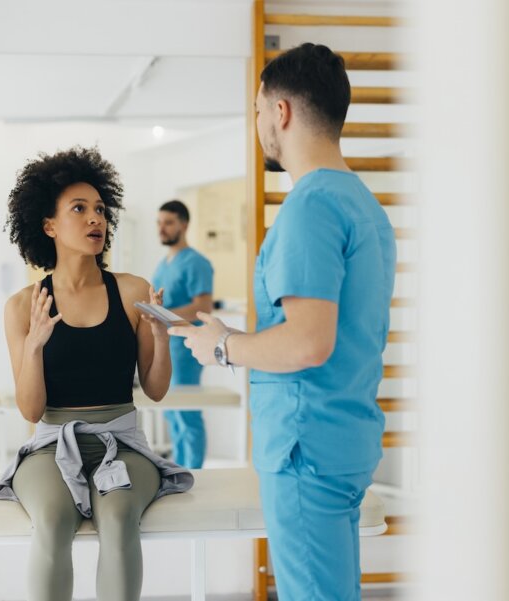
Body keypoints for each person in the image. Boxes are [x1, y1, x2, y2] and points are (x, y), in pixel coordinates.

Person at [169, 43, 396, 601]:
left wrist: (222, 345)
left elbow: (306, 343)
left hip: (305, 448)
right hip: (343, 441)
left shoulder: (311, 206)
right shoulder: (361, 203)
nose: (256, 123)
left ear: (282, 111)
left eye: (256, 109)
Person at [0, 146, 193, 601]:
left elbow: (156, 390)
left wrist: (161, 337)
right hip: (50, 444)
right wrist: (35, 346)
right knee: (52, 519)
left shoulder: (132, 291)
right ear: (48, 226)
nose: (94, 219)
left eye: (100, 209)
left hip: (121, 442)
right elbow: (30, 408)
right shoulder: (23, 306)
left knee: (119, 517)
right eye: (78, 209)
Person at [151, 200, 214, 468]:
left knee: (187, 414)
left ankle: (196, 473)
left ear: (184, 225)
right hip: (166, 347)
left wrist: (163, 315)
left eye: (168, 222)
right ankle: (180, 469)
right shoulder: (163, 264)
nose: (162, 228)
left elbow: (203, 306)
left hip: (187, 349)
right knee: (173, 414)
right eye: (159, 223)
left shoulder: (196, 263)